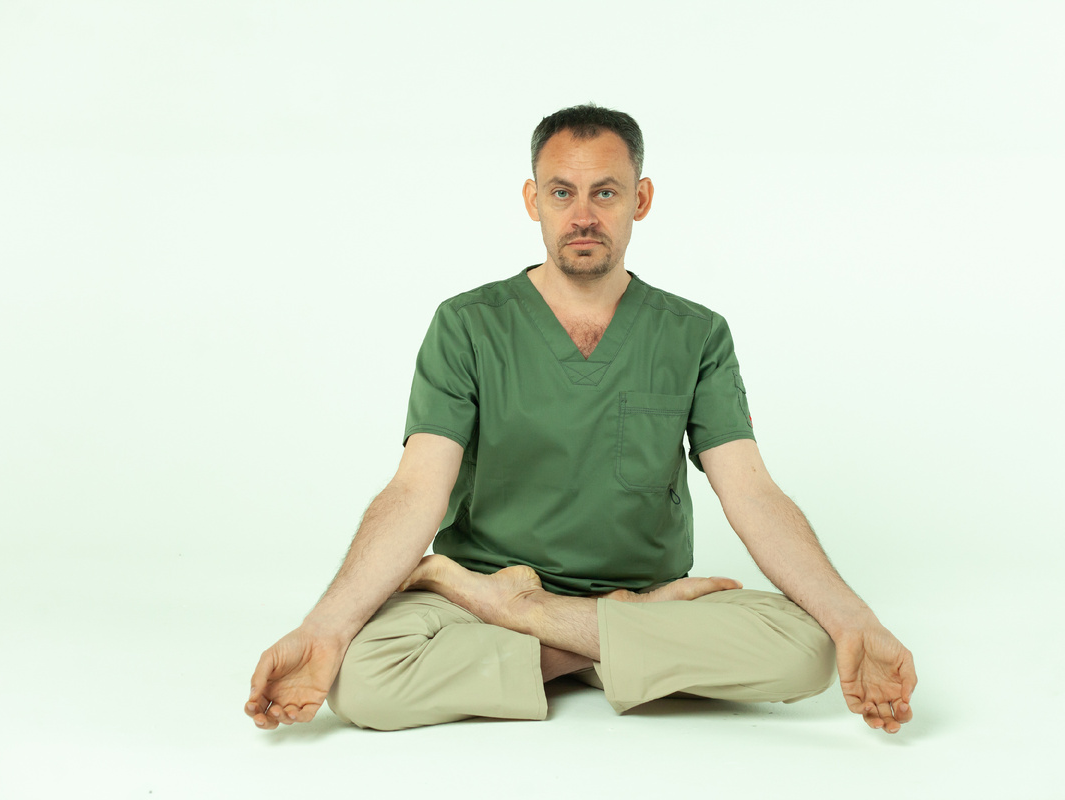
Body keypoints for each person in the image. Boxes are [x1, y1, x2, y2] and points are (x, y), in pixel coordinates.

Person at [244, 103, 917, 735]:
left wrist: (853, 621)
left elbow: (753, 493)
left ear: (640, 200)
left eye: (606, 192)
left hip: (627, 597)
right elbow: (416, 489)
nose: (584, 215)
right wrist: (324, 629)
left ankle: (539, 622)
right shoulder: (467, 325)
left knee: (809, 649)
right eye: (562, 193)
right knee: (362, 676)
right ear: (533, 200)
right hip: (493, 597)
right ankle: (600, 644)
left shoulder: (696, 334)